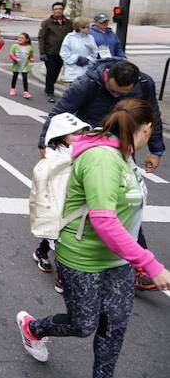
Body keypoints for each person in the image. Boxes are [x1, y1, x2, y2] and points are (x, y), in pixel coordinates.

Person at [16, 99, 170, 374]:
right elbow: (104, 222)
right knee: (83, 324)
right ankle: (33, 328)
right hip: (82, 259)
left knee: (113, 329)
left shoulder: (123, 153)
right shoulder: (101, 158)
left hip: (119, 261)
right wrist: (150, 263)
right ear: (146, 128)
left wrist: (134, 257)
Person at [39, 59, 166, 291]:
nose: (117, 98)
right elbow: (59, 112)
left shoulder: (144, 84)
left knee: (124, 204)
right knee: (83, 209)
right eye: (113, 91)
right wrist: (45, 144)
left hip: (123, 148)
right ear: (106, 77)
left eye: (123, 94)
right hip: (90, 152)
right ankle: (52, 253)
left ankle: (135, 266)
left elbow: (152, 115)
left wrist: (156, 150)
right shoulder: (87, 83)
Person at [30, 112, 91, 294]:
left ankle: (41, 252)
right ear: (60, 135)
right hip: (58, 200)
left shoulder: (83, 150)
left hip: (75, 200)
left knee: (59, 234)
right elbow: (45, 177)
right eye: (74, 133)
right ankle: (62, 277)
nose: (79, 136)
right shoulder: (52, 155)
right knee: (58, 236)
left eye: (81, 132)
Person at [38, 2, 73, 103]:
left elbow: (71, 37)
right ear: (53, 10)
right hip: (50, 52)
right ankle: (50, 92)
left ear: (63, 10)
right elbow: (41, 38)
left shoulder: (68, 23)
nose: (58, 11)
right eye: (56, 9)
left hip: (62, 53)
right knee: (51, 71)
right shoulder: (47, 22)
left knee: (56, 72)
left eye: (60, 9)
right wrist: (42, 53)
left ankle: (49, 86)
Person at [59, 17, 99, 84]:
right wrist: (77, 58)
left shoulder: (90, 38)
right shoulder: (69, 38)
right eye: (87, 27)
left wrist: (87, 59)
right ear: (80, 28)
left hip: (87, 72)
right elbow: (64, 54)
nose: (89, 29)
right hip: (73, 73)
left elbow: (95, 53)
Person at [9, 32, 35, 98]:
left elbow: (31, 55)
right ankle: (13, 88)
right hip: (16, 65)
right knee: (15, 77)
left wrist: (31, 58)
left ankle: (26, 92)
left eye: (22, 38)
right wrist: (15, 58)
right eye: (19, 38)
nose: (20, 39)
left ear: (27, 40)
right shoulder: (14, 46)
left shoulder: (29, 47)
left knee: (25, 78)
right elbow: (11, 54)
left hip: (25, 66)